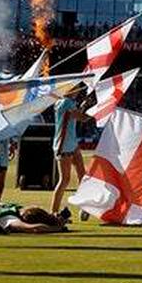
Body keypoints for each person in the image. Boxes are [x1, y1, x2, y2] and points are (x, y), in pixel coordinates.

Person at [51, 89, 91, 222]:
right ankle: (54, 213)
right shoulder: (67, 102)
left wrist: (84, 106)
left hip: (70, 144)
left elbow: (75, 115)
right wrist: (97, 110)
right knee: (65, 180)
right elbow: (82, 118)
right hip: (65, 145)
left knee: (81, 178)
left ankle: (83, 208)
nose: (77, 92)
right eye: (75, 90)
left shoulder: (63, 102)